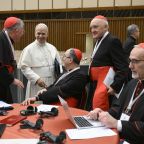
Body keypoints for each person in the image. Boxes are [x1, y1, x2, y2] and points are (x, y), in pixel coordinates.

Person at [88, 43, 144, 144]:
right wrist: (103, 114)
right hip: (121, 136)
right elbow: (118, 107)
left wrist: (117, 124)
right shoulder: (133, 82)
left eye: (135, 61)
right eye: (130, 61)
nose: (130, 66)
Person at [22, 48, 88, 107]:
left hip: (64, 109)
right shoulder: (66, 72)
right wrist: (46, 89)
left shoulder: (80, 76)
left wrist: (37, 98)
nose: (62, 58)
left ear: (70, 60)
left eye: (64, 56)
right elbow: (54, 85)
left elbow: (61, 90)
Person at [88, 15, 128, 111]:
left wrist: (115, 86)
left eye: (95, 27)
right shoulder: (98, 41)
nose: (93, 30)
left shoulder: (113, 41)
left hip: (107, 87)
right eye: (91, 27)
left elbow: (123, 66)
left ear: (106, 27)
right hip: (95, 84)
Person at [18, 23, 62, 99]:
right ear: (35, 33)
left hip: (52, 82)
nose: (40, 36)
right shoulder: (29, 49)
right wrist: (37, 79)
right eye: (38, 33)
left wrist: (58, 79)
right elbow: (24, 67)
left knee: (50, 107)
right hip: (37, 83)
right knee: (37, 106)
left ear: (47, 34)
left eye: (43, 34)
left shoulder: (52, 48)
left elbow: (59, 64)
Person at [0, 17, 24, 103]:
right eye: (22, 30)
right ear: (16, 31)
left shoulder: (5, 38)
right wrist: (12, 79)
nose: (23, 33)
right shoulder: (1, 39)